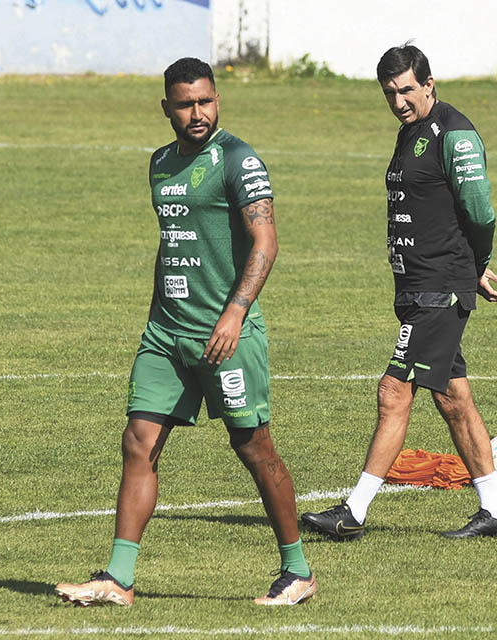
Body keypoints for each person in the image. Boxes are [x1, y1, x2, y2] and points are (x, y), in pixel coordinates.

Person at [55, 57, 315, 606]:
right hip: (166, 334)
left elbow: (266, 244)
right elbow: (173, 244)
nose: (197, 113)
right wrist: (157, 314)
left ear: (217, 99)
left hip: (227, 335)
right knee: (138, 442)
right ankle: (119, 579)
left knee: (254, 448)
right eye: (185, 104)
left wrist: (234, 314)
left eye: (206, 101)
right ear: (167, 107)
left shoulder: (239, 160)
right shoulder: (160, 164)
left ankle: (297, 570)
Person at [301, 44, 497, 541]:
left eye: (407, 90)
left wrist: (474, 266)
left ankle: (353, 511)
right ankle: (496, 511)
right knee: (453, 398)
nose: (399, 101)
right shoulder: (410, 132)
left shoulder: (454, 134)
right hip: (418, 286)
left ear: (430, 83)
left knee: (394, 390)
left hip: (440, 287)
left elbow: (480, 212)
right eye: (390, 93)